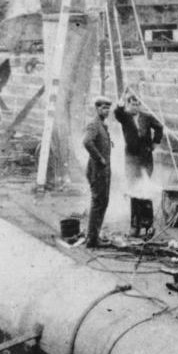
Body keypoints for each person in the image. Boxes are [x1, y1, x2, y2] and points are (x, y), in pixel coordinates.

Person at [83, 95, 113, 248]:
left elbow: (97, 141)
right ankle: (92, 239)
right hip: (98, 170)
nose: (106, 110)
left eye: (108, 108)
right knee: (98, 203)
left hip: (103, 170)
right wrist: (100, 158)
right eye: (103, 107)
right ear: (97, 108)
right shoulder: (94, 124)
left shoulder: (102, 125)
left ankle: (94, 236)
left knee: (103, 202)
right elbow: (87, 142)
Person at [114, 94, 163, 183]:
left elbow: (159, 127)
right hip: (131, 153)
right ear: (128, 105)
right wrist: (119, 106)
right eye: (133, 104)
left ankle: (144, 194)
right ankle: (133, 195)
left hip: (145, 152)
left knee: (146, 176)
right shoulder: (125, 117)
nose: (135, 107)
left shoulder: (147, 117)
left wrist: (156, 142)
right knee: (131, 177)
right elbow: (117, 114)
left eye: (137, 105)